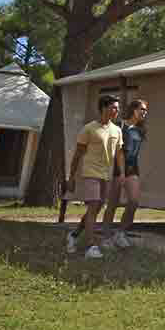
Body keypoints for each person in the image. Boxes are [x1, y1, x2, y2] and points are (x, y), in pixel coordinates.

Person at [65, 95, 124, 259]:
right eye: (114, 107)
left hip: (106, 175)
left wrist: (122, 174)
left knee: (96, 208)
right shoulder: (89, 129)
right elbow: (77, 155)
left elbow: (119, 154)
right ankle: (91, 246)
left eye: (117, 108)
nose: (117, 111)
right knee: (93, 207)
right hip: (90, 173)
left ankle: (74, 235)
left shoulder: (117, 130)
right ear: (103, 108)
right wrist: (71, 178)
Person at [102, 98, 147, 248]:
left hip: (133, 169)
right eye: (142, 109)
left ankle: (120, 233)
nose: (144, 112)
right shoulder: (120, 126)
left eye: (145, 110)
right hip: (117, 169)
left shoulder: (141, 129)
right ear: (133, 110)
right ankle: (106, 236)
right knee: (113, 204)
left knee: (134, 201)